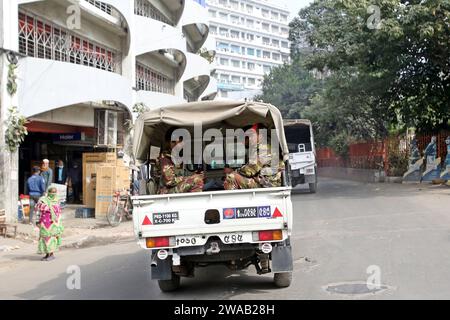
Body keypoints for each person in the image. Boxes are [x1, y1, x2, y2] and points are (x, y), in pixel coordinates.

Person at [224, 124, 285, 190]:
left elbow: (249, 170)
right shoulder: (262, 147)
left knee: (231, 177)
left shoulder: (263, 149)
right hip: (266, 182)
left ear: (260, 136)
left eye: (252, 135)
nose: (250, 138)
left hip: (267, 185)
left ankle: (233, 200)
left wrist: (232, 171)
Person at [158, 130, 204, 194]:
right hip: (167, 191)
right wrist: (192, 177)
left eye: (179, 142)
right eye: (173, 142)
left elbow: (182, 174)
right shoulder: (165, 158)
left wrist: (195, 174)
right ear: (168, 143)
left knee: (199, 178)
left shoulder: (178, 157)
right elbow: (169, 181)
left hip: (176, 188)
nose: (177, 145)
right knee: (197, 179)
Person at [36, 187, 64, 261]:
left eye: (54, 193)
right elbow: (38, 210)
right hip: (44, 224)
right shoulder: (43, 200)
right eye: (52, 192)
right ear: (48, 193)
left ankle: (51, 254)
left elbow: (59, 213)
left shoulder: (57, 200)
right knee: (44, 238)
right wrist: (37, 220)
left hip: (53, 224)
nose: (53, 194)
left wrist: (59, 224)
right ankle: (47, 254)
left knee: (51, 238)